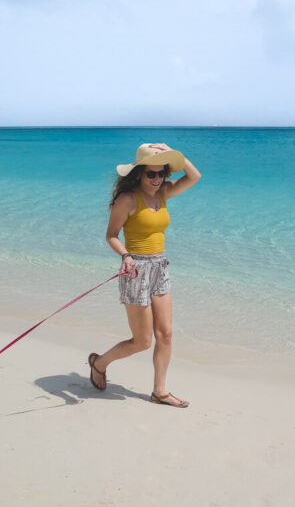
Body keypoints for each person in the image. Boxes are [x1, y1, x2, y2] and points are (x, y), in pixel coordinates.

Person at [88, 143, 201, 407]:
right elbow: (111, 235)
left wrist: (175, 152)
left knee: (166, 334)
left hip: (160, 267)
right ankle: (99, 363)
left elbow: (195, 176)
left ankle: (159, 391)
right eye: (151, 174)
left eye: (162, 173)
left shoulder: (162, 194)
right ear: (139, 173)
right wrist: (125, 256)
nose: (157, 179)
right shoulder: (127, 199)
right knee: (142, 342)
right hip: (135, 269)